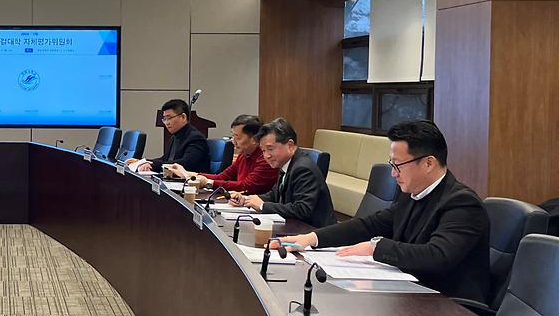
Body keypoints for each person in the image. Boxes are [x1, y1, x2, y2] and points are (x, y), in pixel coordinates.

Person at [274, 121, 491, 302]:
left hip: (449, 307)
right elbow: (371, 224)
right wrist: (311, 238)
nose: (393, 174)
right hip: (410, 293)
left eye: (398, 165)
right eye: (391, 165)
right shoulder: (412, 192)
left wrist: (376, 247)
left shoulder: (462, 203)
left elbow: (437, 256)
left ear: (428, 163)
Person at [230, 117, 335, 228]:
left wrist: (262, 206)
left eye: (270, 149)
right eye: (263, 150)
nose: (266, 156)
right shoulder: (286, 163)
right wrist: (247, 200)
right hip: (295, 227)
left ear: (290, 145)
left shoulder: (303, 168)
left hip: (314, 231)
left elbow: (302, 209)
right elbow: (274, 195)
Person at [168, 114, 278, 195]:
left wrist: (208, 183)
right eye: (233, 136)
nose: (233, 141)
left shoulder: (265, 158)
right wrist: (187, 174)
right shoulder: (244, 155)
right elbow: (222, 177)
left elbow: (245, 186)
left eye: (238, 137)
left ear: (254, 139)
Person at [133, 98, 209, 174]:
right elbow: (165, 159)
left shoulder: (196, 138)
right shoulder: (174, 137)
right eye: (164, 119)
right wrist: (143, 161)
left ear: (183, 117)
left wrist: (153, 165)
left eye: (169, 118)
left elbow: (186, 163)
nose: (167, 123)